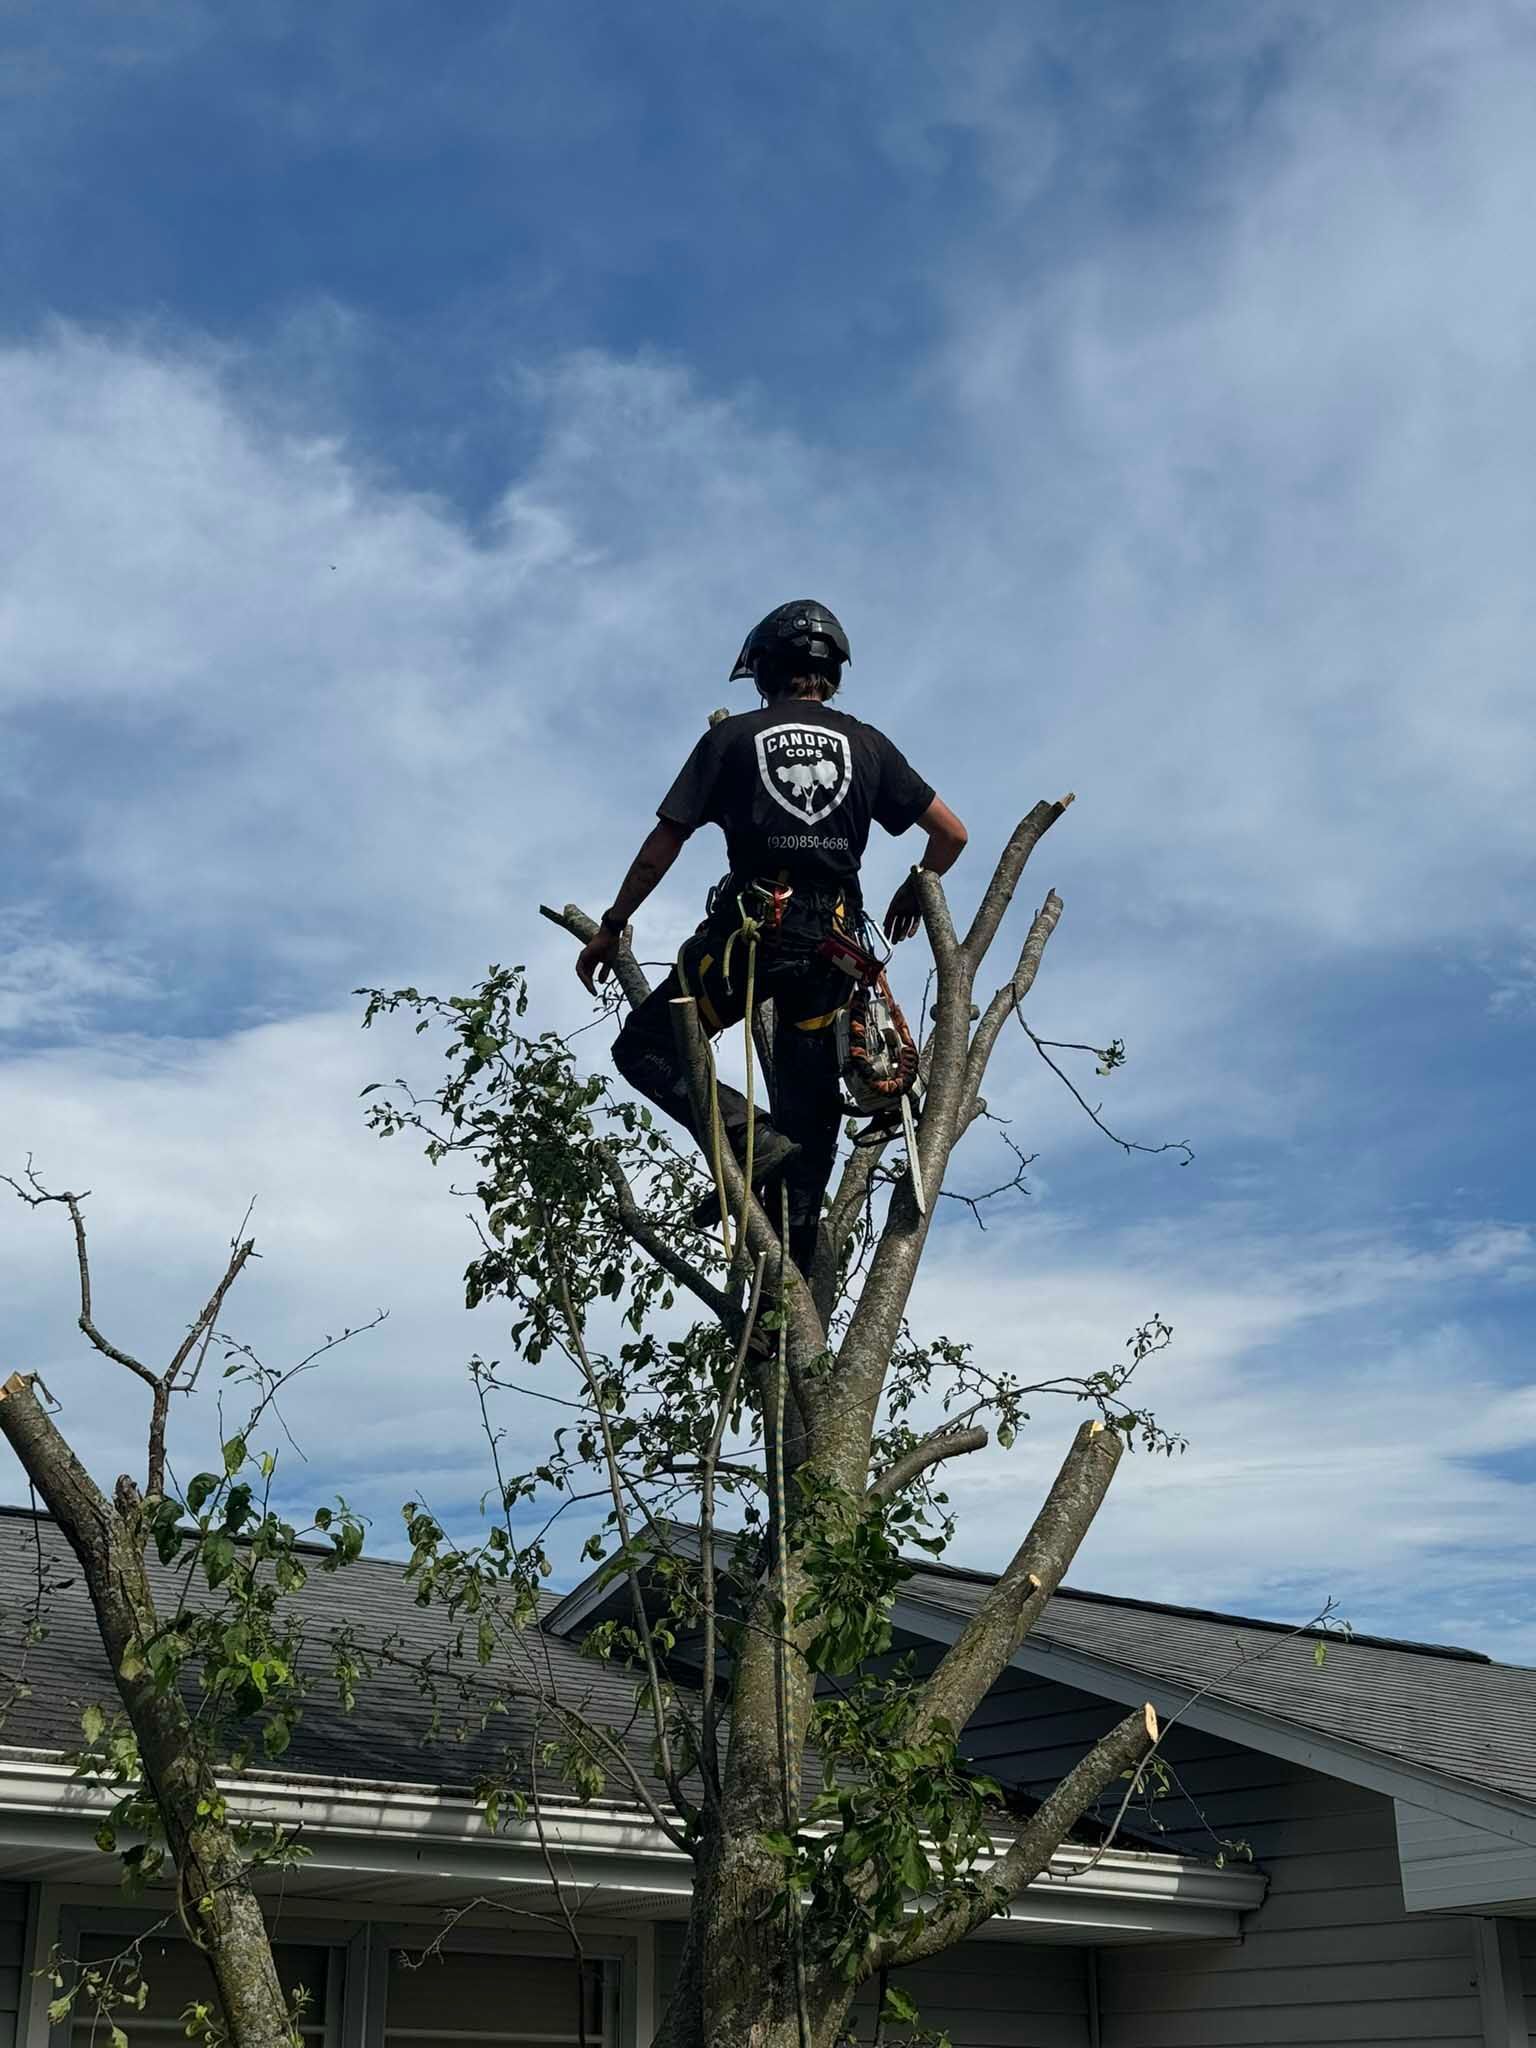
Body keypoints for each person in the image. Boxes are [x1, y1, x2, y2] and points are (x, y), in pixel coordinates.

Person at [577, 600, 967, 1274]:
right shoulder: (868, 744)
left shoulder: (733, 739)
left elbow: (664, 841)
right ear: (832, 675)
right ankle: (781, 1311)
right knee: (810, 1136)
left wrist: (613, 927)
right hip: (833, 951)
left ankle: (748, 1138)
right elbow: (952, 834)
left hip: (754, 933)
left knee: (644, 1049)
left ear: (763, 670)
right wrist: (916, 883)